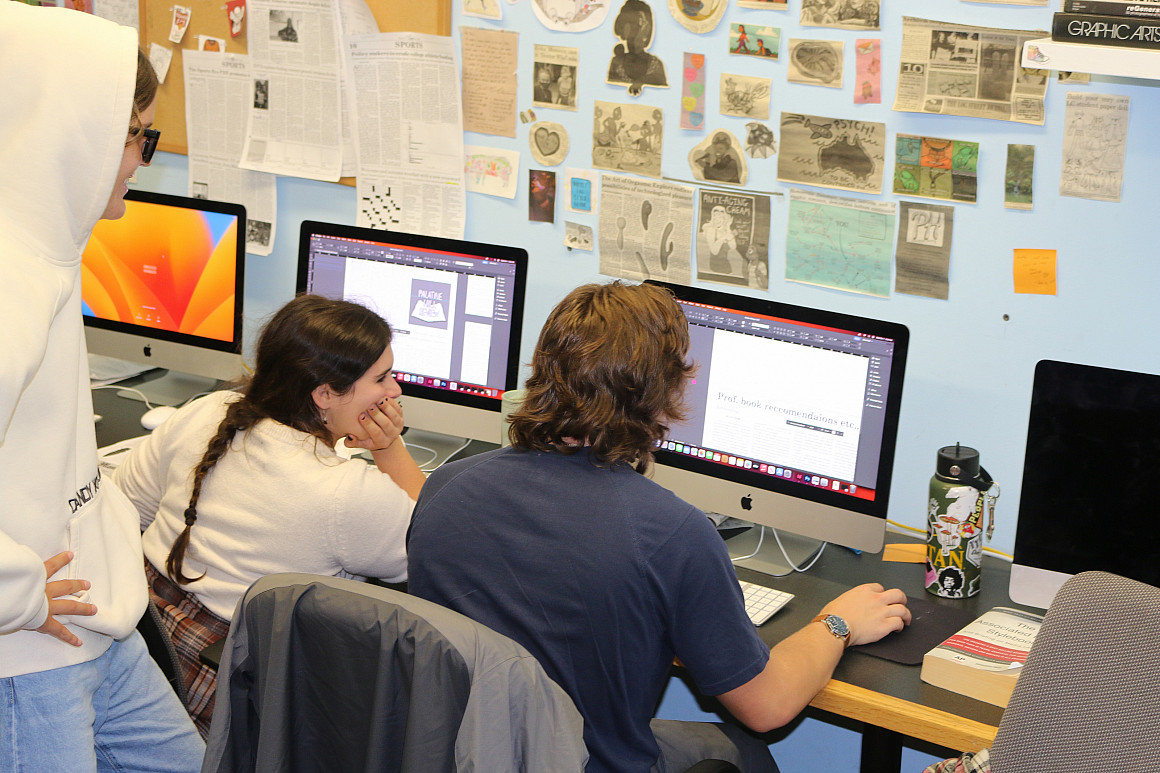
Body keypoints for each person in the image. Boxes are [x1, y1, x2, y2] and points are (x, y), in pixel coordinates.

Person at [407, 281, 912, 773]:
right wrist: (836, 624)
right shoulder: (671, 534)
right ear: (661, 395)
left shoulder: (445, 487)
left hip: (465, 754)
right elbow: (769, 706)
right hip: (588, 761)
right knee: (743, 751)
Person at [0, 4, 205, 770]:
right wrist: (16, 592)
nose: (140, 161)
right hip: (29, 653)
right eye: (135, 138)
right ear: (73, 134)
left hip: (102, 629)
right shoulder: (9, 277)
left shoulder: (47, 249)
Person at [112, 294, 425, 736]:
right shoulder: (344, 493)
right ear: (324, 394)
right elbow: (433, 544)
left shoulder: (208, 410)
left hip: (151, 656)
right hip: (228, 690)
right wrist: (389, 448)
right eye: (382, 378)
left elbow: (126, 504)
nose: (394, 391)